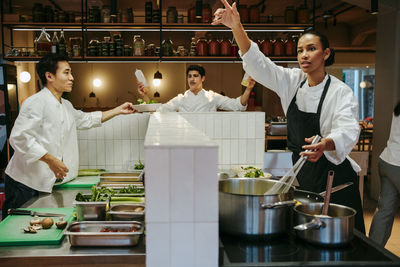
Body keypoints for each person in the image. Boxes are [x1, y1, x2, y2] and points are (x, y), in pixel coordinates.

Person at [212, 0, 365, 233]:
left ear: (326, 54)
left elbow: (348, 129)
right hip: (307, 177)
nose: (304, 55)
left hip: (336, 181)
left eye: (311, 49)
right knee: (313, 236)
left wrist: (325, 144)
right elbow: (258, 63)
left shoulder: (340, 91)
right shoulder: (292, 81)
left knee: (345, 241)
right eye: (300, 50)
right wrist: (236, 27)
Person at [2, 54, 136, 219]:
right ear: (49, 76)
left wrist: (118, 110)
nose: (72, 78)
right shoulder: (36, 102)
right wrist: (50, 159)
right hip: (24, 183)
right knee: (17, 231)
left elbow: (85, 120)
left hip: (43, 183)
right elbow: (19, 138)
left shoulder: (65, 105)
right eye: (66, 73)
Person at [137, 64, 255, 112]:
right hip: (186, 139)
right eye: (189, 76)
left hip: (209, 139)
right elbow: (159, 110)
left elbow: (237, 105)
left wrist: (248, 89)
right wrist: (144, 95)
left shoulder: (212, 97)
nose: (192, 79)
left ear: (202, 78)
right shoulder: (180, 99)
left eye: (195, 76)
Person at [369, 101, 400, 246]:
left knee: (384, 211)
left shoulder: (398, 107)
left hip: (388, 161)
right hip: (398, 165)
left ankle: (373, 254)